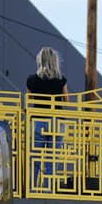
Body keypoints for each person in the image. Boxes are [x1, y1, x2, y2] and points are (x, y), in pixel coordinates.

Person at [26, 47, 69, 190]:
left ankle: (31, 188)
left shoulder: (32, 80)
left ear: (40, 61)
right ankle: (48, 189)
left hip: (38, 121)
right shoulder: (61, 80)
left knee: (35, 158)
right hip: (56, 122)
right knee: (52, 158)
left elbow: (28, 99)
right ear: (55, 61)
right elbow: (66, 100)